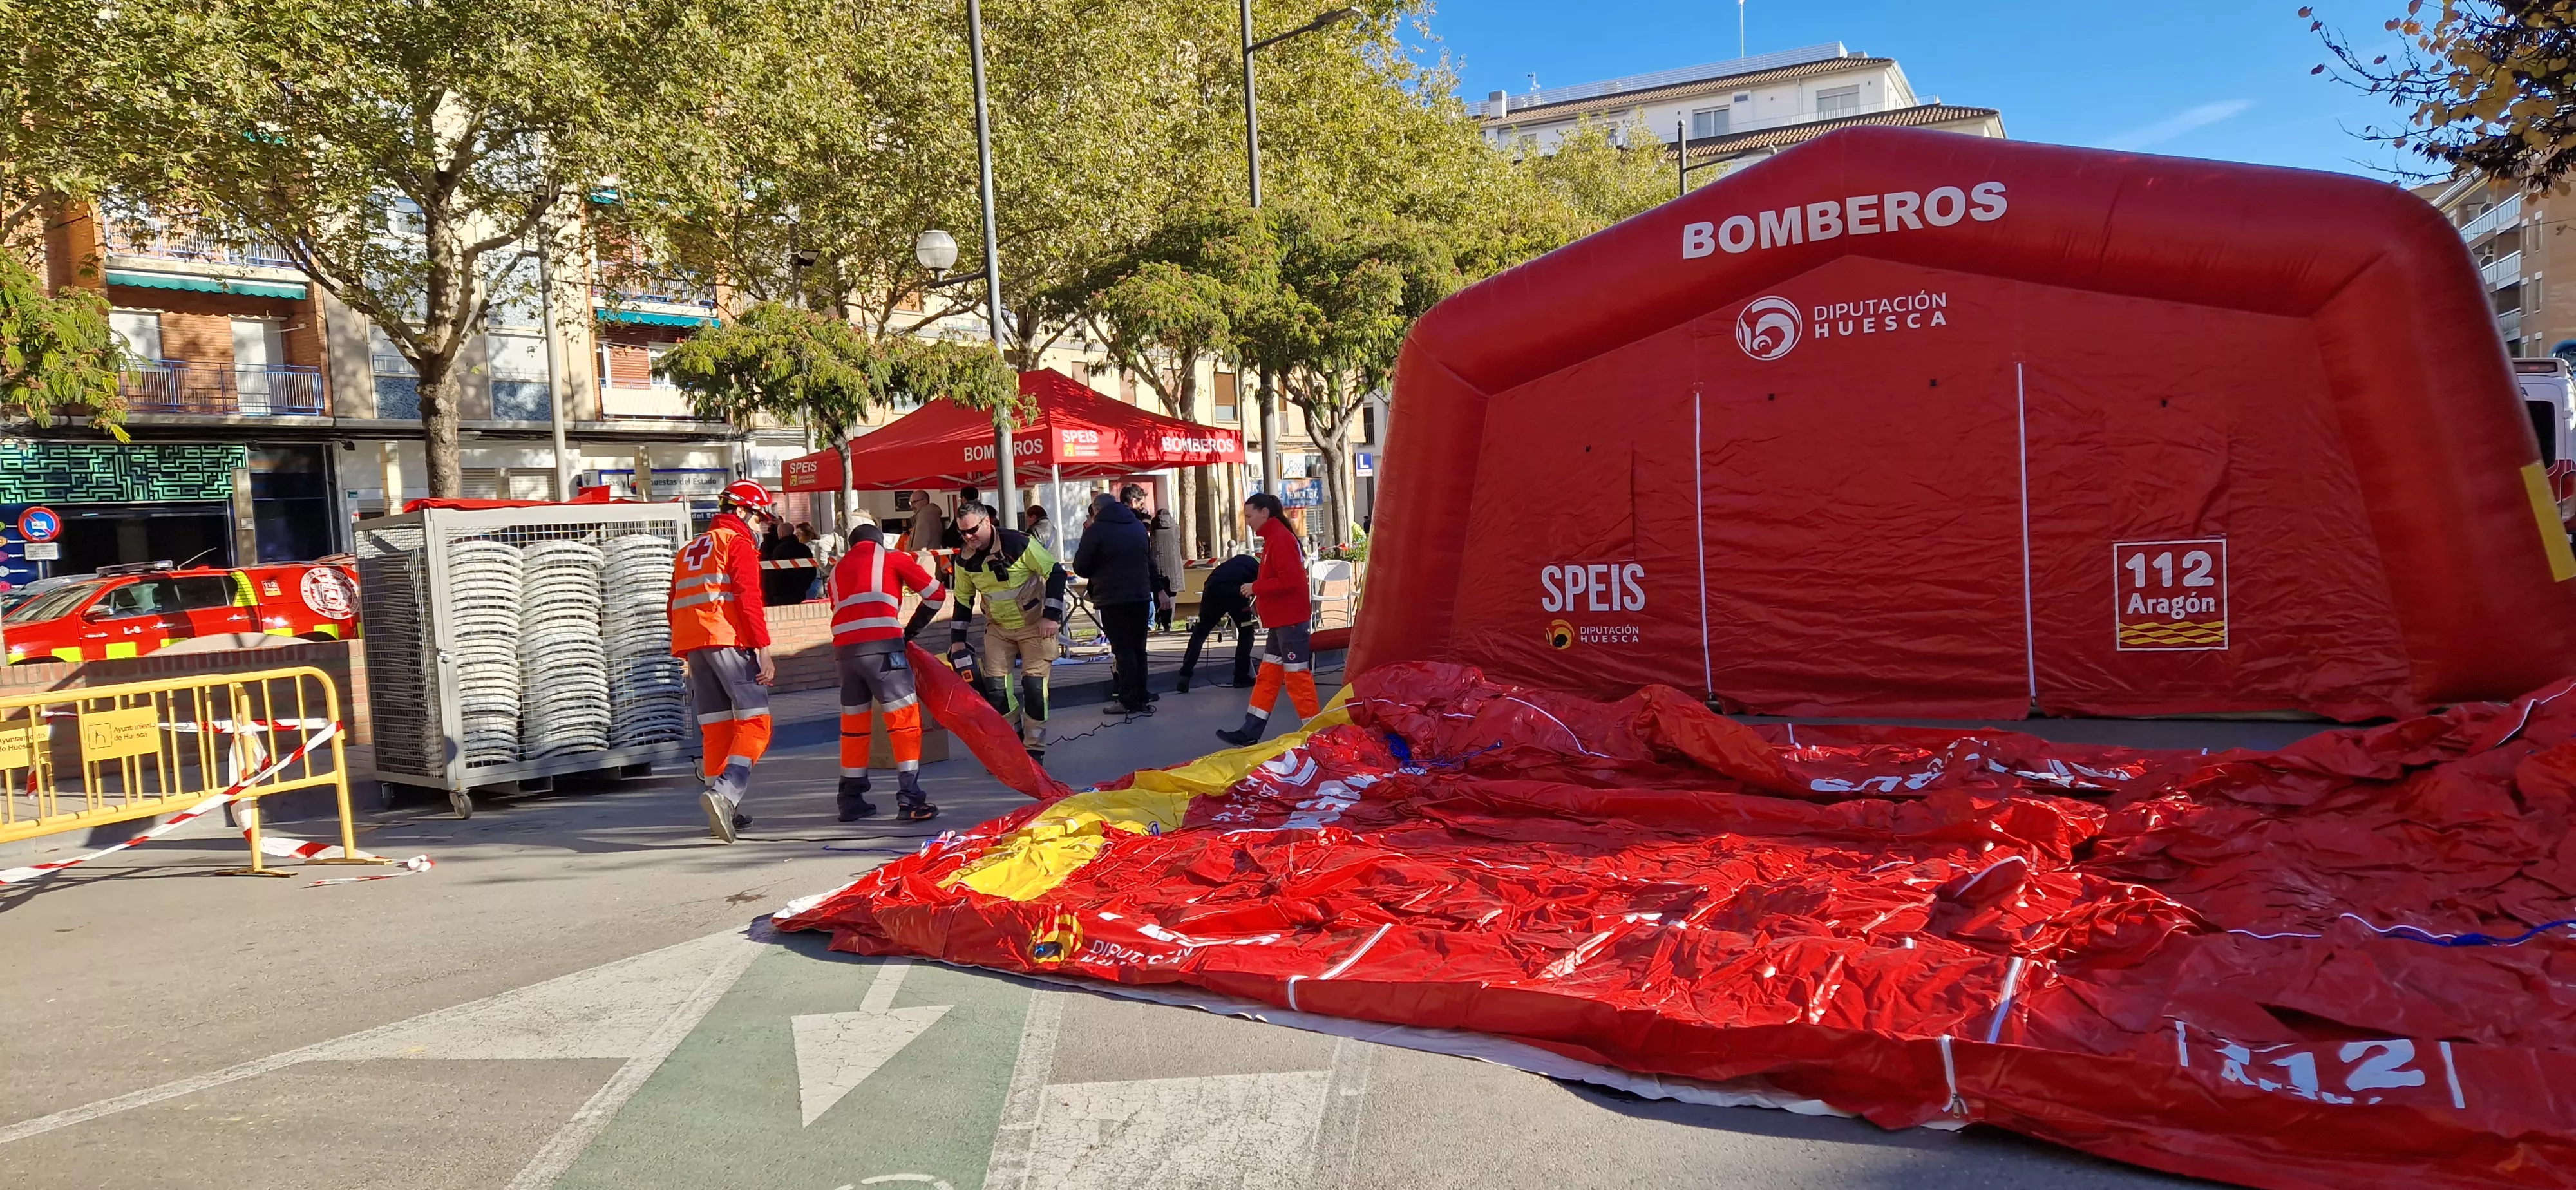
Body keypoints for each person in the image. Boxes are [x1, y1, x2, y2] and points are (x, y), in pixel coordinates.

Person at [668, 479, 778, 842]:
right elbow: (749, 599)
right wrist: (762, 649)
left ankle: (723, 807)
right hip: (727, 638)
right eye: (761, 519)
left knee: (716, 727)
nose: (762, 527)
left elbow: (674, 604)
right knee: (756, 722)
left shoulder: (688, 549)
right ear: (743, 511)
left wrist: (687, 651)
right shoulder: (738, 543)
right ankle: (724, 793)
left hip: (694, 642)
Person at [826, 521, 949, 822]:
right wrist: (910, 632)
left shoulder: (836, 571)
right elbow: (936, 595)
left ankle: (850, 800)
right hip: (883, 649)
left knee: (854, 727)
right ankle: (910, 799)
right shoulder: (891, 557)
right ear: (879, 541)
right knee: (903, 720)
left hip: (845, 654)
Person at [947, 501, 1069, 760]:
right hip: (999, 629)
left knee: (1034, 688)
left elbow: (1056, 573)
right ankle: (1013, 743)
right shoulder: (964, 560)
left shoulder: (1019, 544)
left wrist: (1051, 616)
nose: (968, 537)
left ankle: (1034, 748)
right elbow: (963, 600)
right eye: (963, 533)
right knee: (996, 690)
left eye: (972, 531)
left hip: (1035, 626)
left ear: (987, 522)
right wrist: (957, 640)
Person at [1216, 493, 1318, 748]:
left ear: (1264, 513)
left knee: (1296, 677)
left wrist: (1256, 587)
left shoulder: (1279, 540)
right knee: (1269, 676)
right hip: (1283, 620)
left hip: (1289, 620)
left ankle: (1317, 732)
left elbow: (1291, 580)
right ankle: (1250, 730)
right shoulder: (1277, 538)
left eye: (1249, 516)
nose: (1248, 521)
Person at [1074, 491, 1157, 715]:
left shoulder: (1096, 530)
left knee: (1123, 650)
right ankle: (1142, 697)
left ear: (1096, 510)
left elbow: (1080, 566)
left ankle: (1128, 700)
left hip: (1112, 597)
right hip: (1140, 595)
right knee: (1139, 649)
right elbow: (1149, 562)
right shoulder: (1138, 527)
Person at [1177, 551, 1260, 694]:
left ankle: (1185, 674)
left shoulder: (1241, 559)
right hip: (1235, 592)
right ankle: (1241, 676)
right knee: (1246, 631)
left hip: (1212, 587)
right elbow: (1261, 590)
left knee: (1201, 631)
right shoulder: (1262, 567)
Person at [761, 514, 815, 606]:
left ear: (780, 533)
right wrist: (804, 587)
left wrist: (773, 592)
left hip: (781, 595)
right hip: (799, 593)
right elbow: (811, 570)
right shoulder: (804, 549)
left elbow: (774, 575)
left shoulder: (778, 550)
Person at [1147, 506, 1182, 632]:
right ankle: (1169, 623)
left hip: (1157, 564)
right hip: (1174, 566)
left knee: (1159, 593)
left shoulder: (1154, 528)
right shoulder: (1176, 528)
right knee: (1172, 595)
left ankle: (1159, 621)